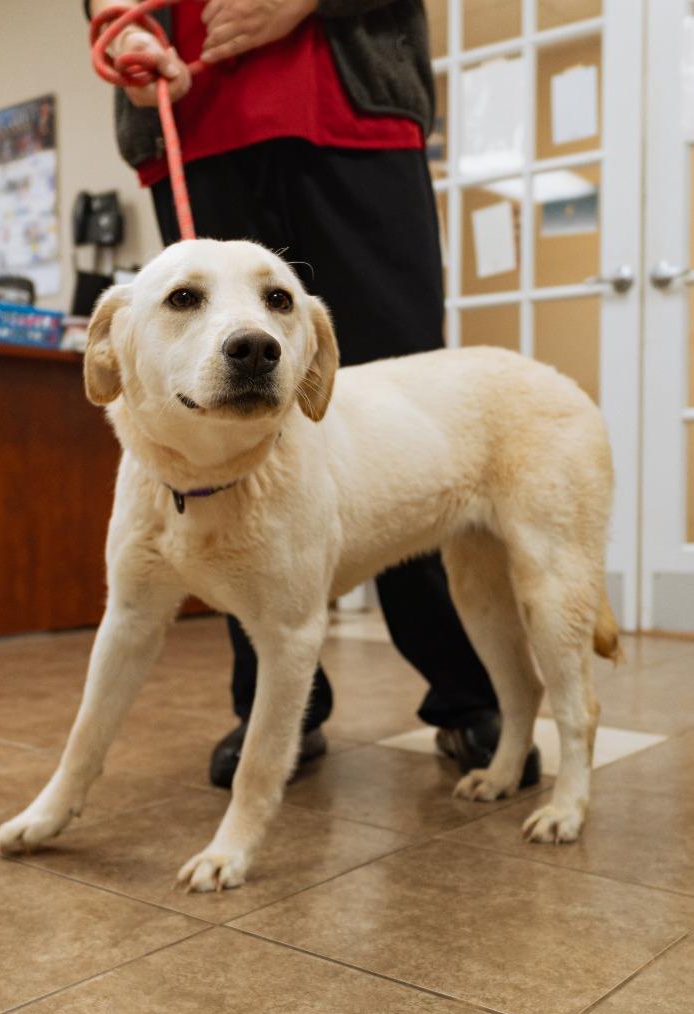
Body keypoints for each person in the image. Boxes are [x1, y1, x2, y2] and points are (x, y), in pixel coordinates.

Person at [86, 0, 541, 790]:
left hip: (347, 110)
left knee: (401, 414)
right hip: (194, 117)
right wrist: (118, 26)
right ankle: (275, 702)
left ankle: (467, 692)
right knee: (219, 429)